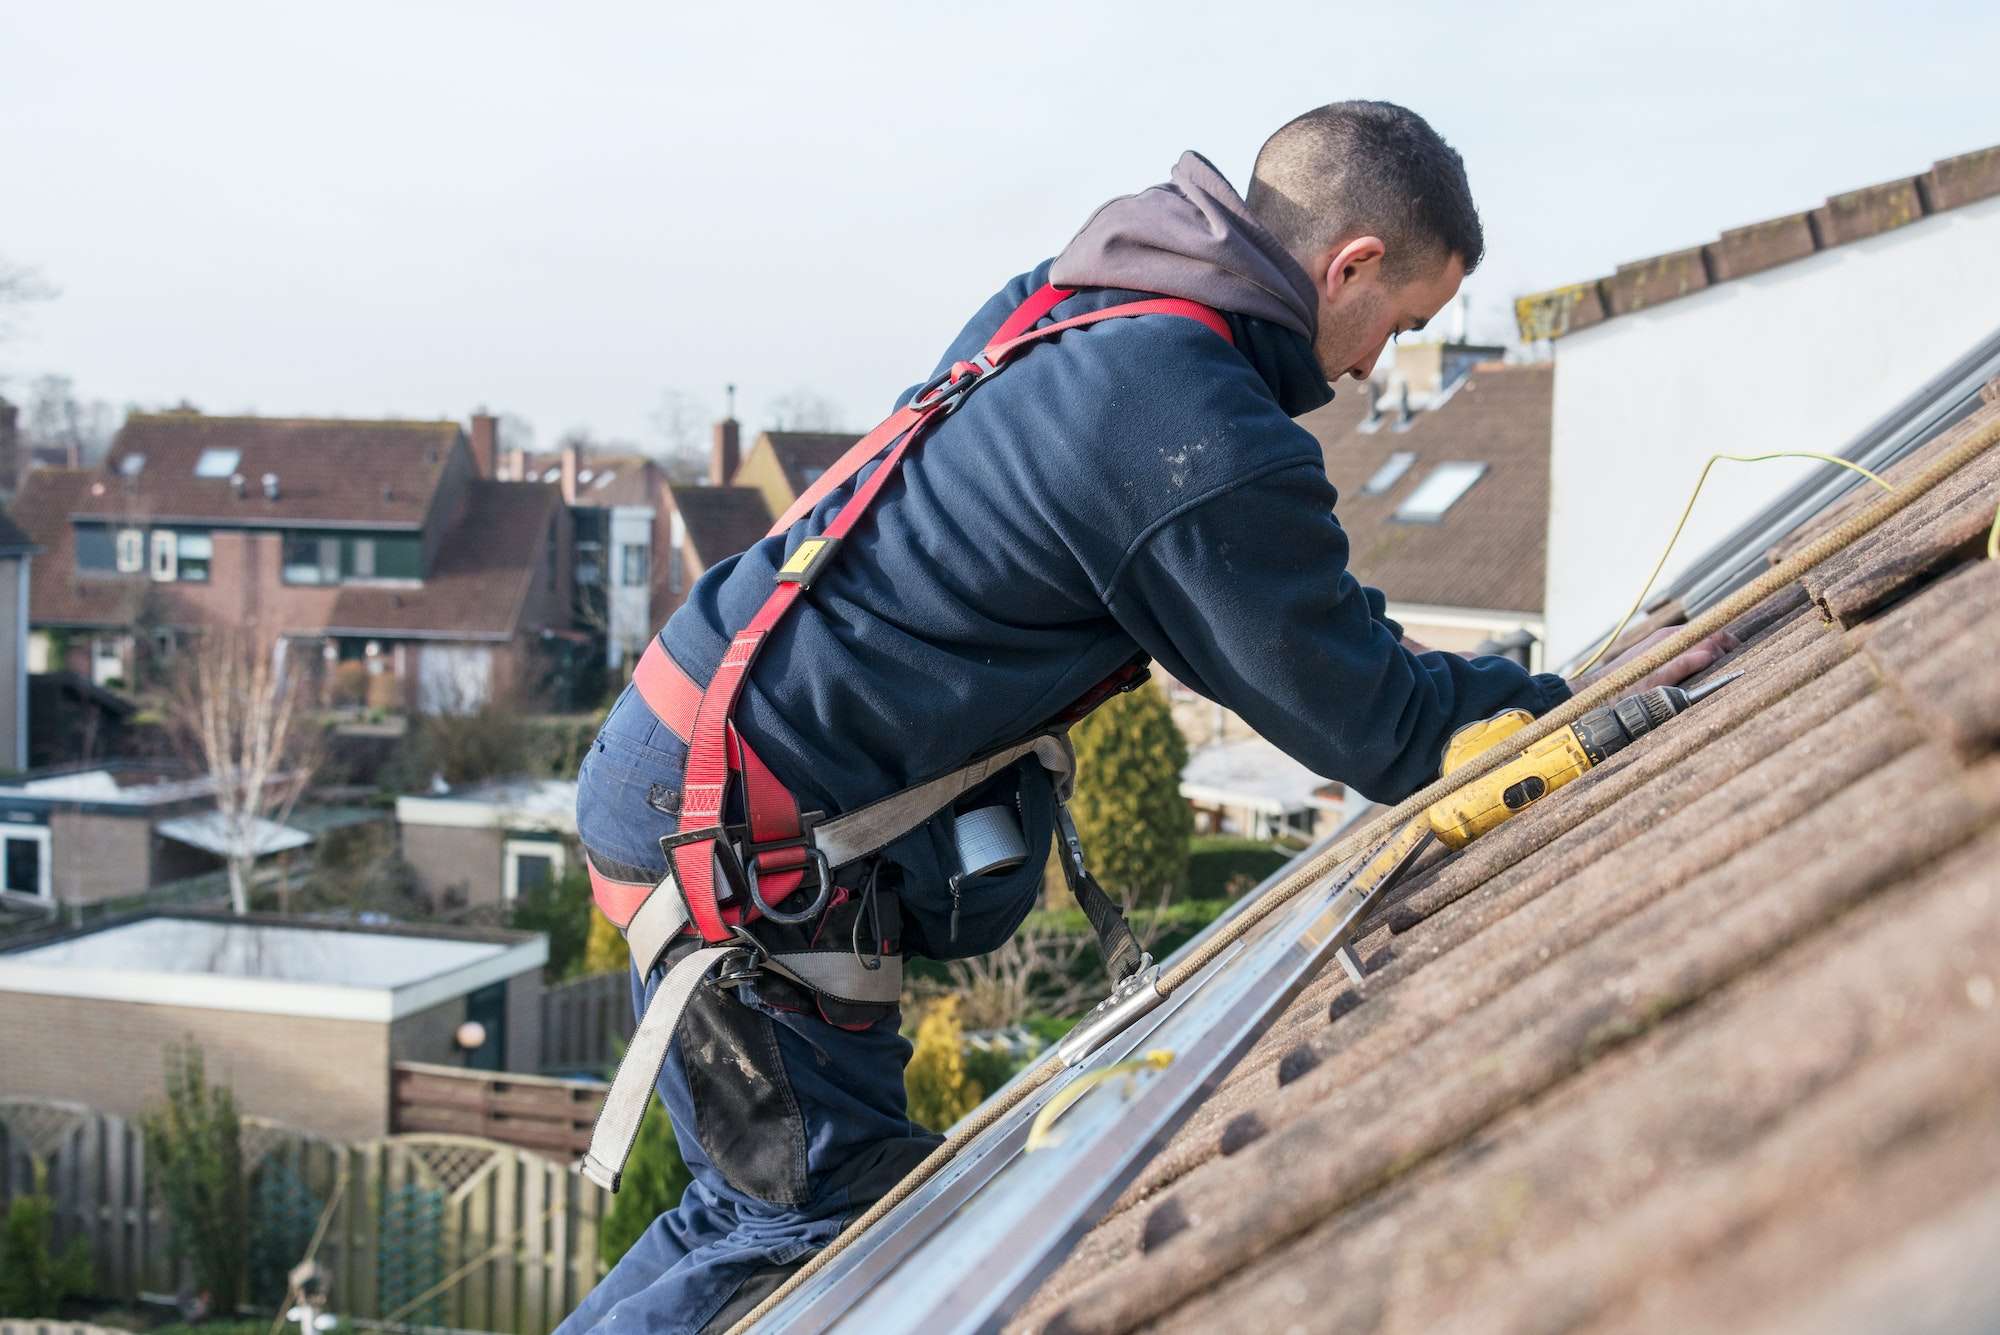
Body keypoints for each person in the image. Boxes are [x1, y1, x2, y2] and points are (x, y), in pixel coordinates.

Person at [560, 100, 1732, 1334]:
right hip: (733, 822)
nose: (1370, 367)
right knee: (823, 1221)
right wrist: (1591, 695)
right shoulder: (1190, 426)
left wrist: (1552, 679)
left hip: (690, 743)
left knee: (767, 1203)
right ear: (1351, 266)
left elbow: (1315, 632)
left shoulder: (1088, 297)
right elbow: (1380, 727)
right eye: (1398, 324)